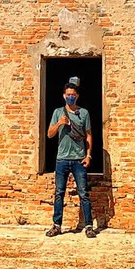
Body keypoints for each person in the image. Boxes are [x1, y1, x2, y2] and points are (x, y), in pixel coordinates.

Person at [46, 76, 97, 238]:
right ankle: (56, 225)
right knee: (59, 193)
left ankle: (88, 225)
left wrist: (88, 155)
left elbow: (89, 135)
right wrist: (59, 123)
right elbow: (49, 134)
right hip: (61, 159)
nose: (70, 97)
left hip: (78, 159)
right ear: (63, 96)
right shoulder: (57, 113)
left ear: (77, 96)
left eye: (73, 94)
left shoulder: (84, 113)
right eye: (68, 94)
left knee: (83, 193)